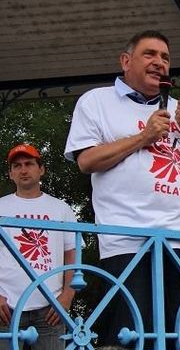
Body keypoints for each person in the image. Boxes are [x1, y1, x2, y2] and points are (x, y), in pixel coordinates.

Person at [64, 30, 180, 349]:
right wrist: (144, 137)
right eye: (149, 54)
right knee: (132, 336)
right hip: (127, 241)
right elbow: (87, 161)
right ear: (126, 61)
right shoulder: (97, 101)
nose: (159, 62)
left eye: (165, 58)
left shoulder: (179, 109)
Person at [0, 144, 77, 350]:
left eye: (29, 164)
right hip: (5, 307)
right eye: (17, 166)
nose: (23, 170)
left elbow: (73, 255)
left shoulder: (61, 209)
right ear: (10, 173)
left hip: (50, 308)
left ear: (41, 169)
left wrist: (68, 295)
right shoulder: (1, 206)